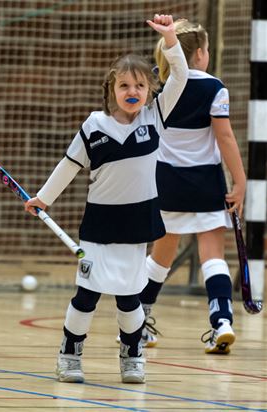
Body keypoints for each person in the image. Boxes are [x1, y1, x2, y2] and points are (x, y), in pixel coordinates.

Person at [24, 15, 188, 384]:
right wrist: (43, 199)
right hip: (99, 226)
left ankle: (132, 354)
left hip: (138, 224)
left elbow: (180, 77)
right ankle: (69, 353)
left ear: (149, 90)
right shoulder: (94, 126)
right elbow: (68, 166)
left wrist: (170, 40)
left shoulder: (155, 117)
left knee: (130, 299)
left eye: (140, 85)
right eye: (125, 85)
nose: (133, 91)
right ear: (111, 88)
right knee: (87, 296)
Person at [135, 19, 246, 354]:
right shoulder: (214, 87)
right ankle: (222, 322)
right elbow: (224, 137)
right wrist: (240, 181)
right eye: (207, 49)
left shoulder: (158, 88)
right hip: (205, 183)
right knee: (213, 256)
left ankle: (138, 322)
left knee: (159, 257)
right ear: (199, 53)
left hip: (166, 182)